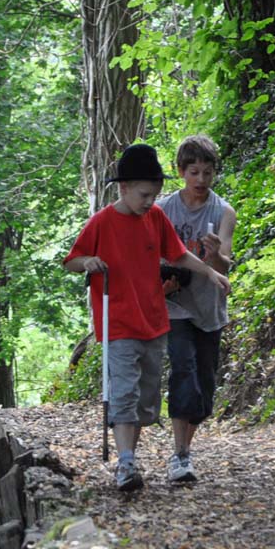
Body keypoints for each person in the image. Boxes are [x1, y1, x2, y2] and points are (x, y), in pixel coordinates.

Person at [64, 143, 230, 492]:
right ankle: (126, 463)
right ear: (123, 188)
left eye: (154, 195)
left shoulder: (155, 217)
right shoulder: (102, 222)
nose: (150, 202)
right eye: (143, 195)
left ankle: (130, 457)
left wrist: (209, 272)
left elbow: (178, 254)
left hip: (153, 321)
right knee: (124, 390)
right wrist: (88, 262)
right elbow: (72, 260)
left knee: (146, 397)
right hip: (118, 320)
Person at [157, 135, 237, 484]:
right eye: (194, 172)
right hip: (173, 306)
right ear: (180, 172)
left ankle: (184, 449)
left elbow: (225, 266)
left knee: (203, 387)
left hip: (209, 306)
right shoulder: (163, 210)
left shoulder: (223, 211)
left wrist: (216, 253)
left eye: (207, 172)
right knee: (183, 369)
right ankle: (180, 454)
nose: (201, 180)